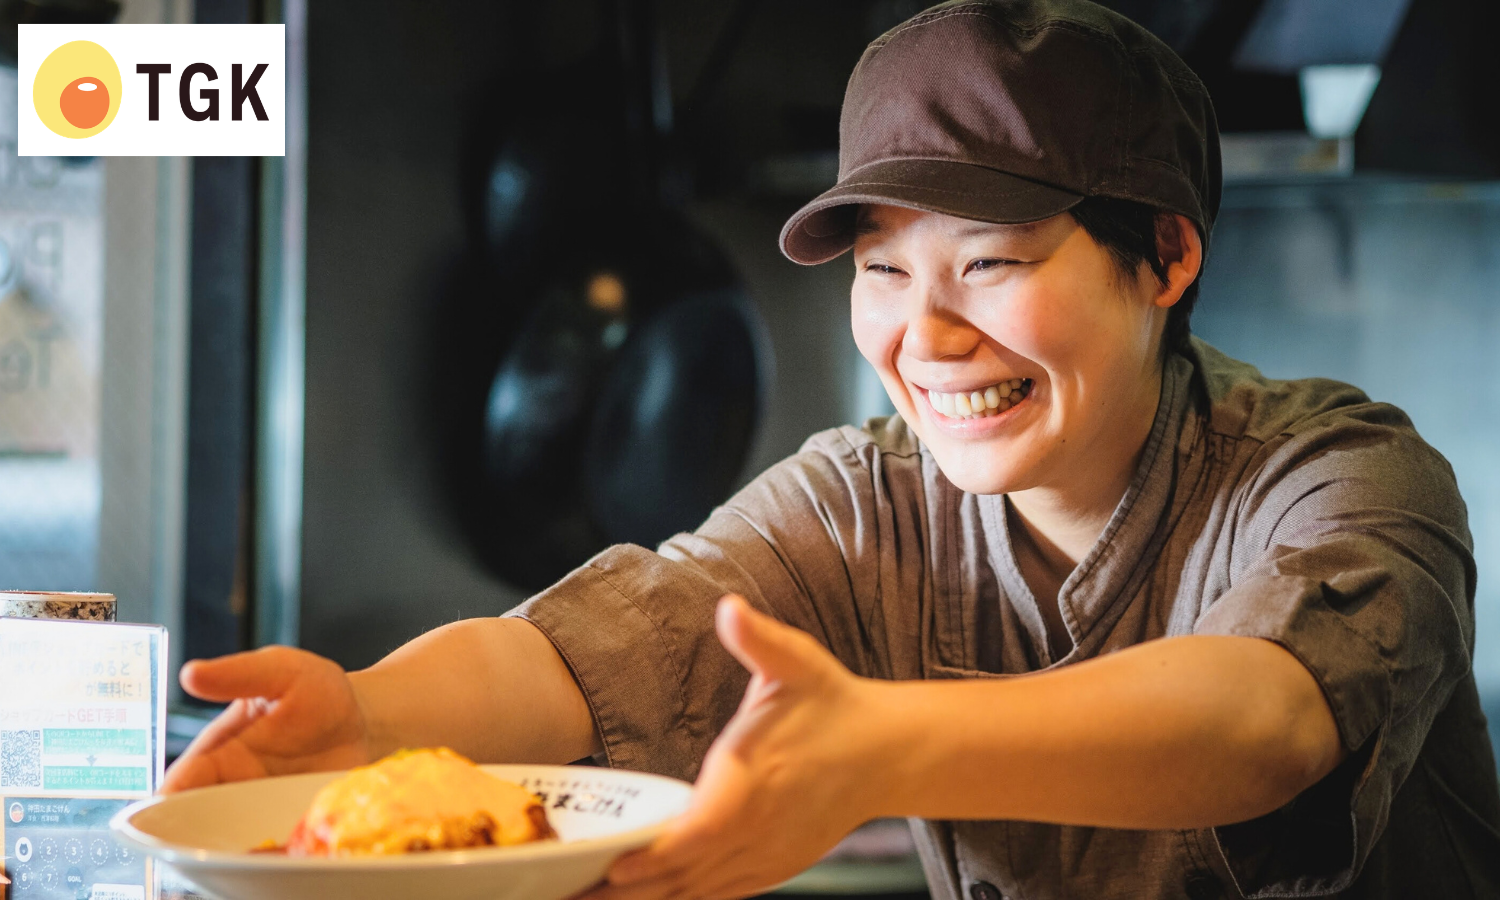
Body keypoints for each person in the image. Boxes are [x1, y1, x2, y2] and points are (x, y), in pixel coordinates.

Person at [164, 1, 1500, 898]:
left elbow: (1260, 719)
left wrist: (885, 743)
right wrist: (369, 716)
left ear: (1167, 257)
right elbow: (602, 646)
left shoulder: (1347, 476)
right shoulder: (866, 499)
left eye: (990, 262)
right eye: (881, 271)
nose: (926, 334)